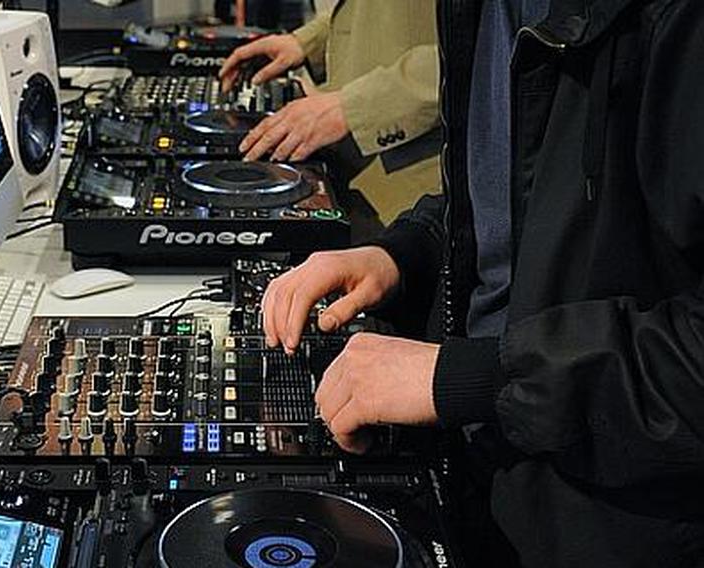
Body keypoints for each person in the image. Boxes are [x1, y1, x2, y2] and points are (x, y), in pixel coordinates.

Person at [261, 0, 704, 566]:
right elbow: (515, 200)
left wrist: (472, 378)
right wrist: (404, 253)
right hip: (499, 473)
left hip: (625, 519)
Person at [218, 0, 440, 223]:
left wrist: (353, 107)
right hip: (351, 165)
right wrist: (305, 43)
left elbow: (468, 51)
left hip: (413, 185)